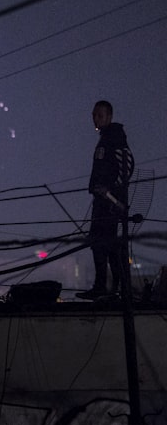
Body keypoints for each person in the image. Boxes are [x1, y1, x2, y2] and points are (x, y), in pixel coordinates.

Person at [79, 100, 134, 299]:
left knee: (103, 243)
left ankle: (110, 287)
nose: (95, 118)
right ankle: (108, 287)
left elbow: (127, 165)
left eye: (99, 115)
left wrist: (113, 192)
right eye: (94, 115)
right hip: (102, 200)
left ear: (109, 116)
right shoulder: (105, 138)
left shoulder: (115, 136)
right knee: (102, 243)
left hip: (110, 202)